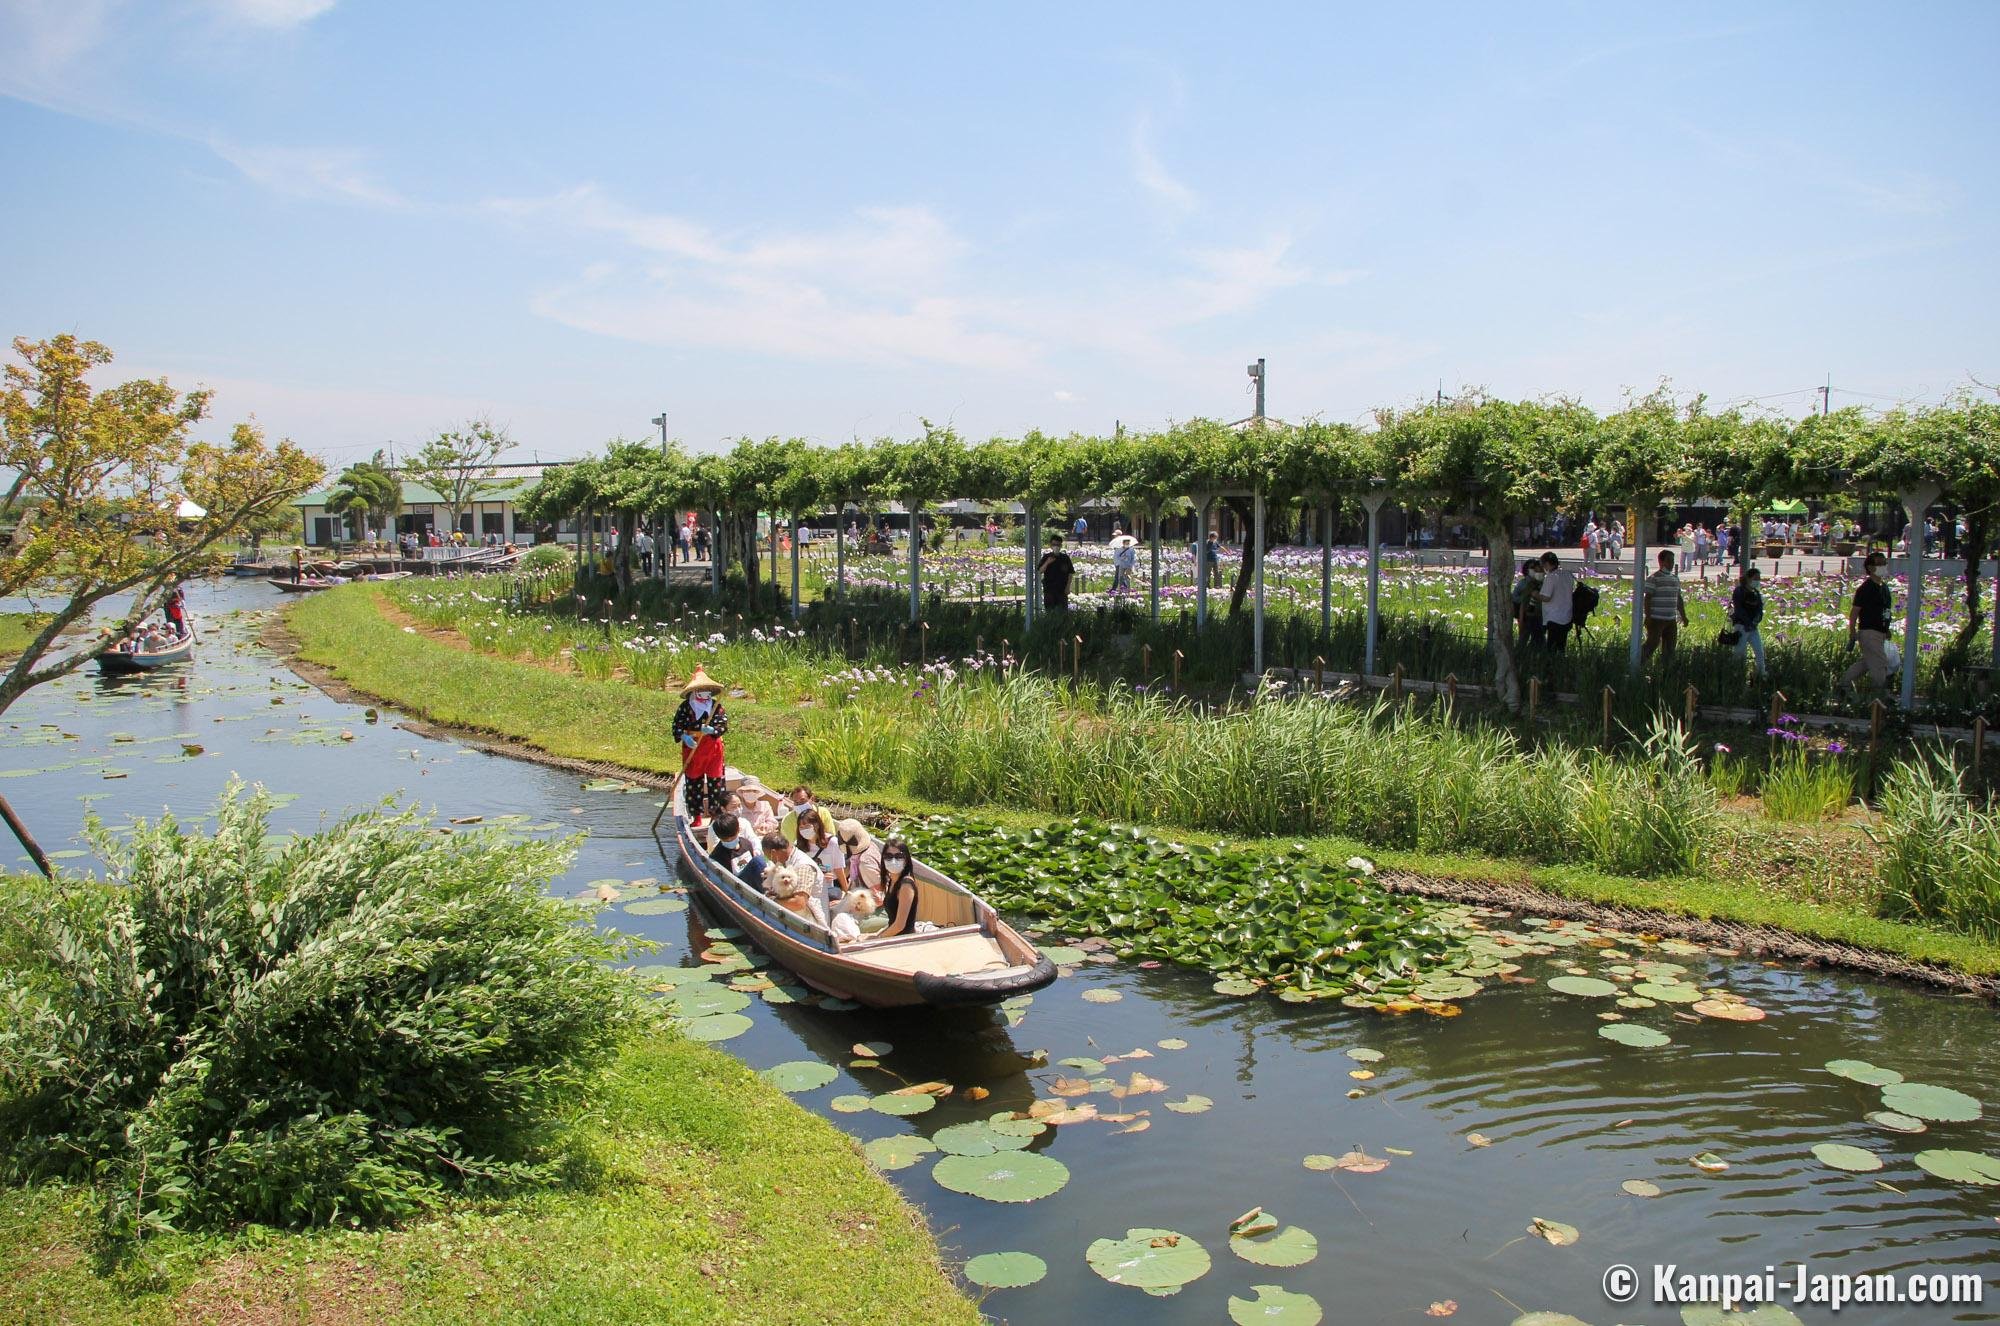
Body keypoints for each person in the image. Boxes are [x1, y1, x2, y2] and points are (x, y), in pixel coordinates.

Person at [672, 666, 729, 823]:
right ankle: (696, 816)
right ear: (695, 691)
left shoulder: (716, 706)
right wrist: (684, 736)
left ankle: (716, 816)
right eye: (701, 690)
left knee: (716, 781)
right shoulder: (685, 707)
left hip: (713, 748)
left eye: (707, 690)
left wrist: (712, 730)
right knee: (693, 781)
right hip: (693, 748)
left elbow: (723, 725)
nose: (705, 693)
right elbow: (677, 726)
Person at [1843, 552, 1895, 695]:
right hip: (1869, 631)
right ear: (1870, 567)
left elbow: (1885, 610)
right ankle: (1879, 693)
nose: (1884, 566)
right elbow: (1855, 611)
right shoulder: (1866, 588)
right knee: (1880, 663)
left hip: (1880, 632)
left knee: (1867, 662)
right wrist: (1852, 631)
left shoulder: (1884, 587)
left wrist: (1887, 629)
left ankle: (1844, 684)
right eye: (1880, 563)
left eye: (1884, 563)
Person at [1640, 549, 1687, 664]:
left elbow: (1678, 599)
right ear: (1661, 562)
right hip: (1656, 618)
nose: (1671, 564)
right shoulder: (1654, 578)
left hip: (1671, 619)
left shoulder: (1675, 578)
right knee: (1652, 643)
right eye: (1668, 561)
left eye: (1672, 561)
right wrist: (1648, 616)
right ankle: (1639, 663)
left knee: (1670, 647)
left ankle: (1666, 669)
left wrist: (1683, 616)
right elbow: (1648, 598)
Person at [875, 837, 921, 938]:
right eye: (888, 856)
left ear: (906, 860)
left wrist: (877, 939)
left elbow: (899, 926)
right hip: (892, 936)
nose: (893, 860)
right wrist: (873, 936)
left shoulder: (906, 885)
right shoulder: (891, 881)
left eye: (899, 856)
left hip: (903, 940)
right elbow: (892, 922)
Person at [708, 814, 765, 889]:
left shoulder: (746, 844)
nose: (729, 840)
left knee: (759, 860)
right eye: (725, 839)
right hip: (736, 886)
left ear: (738, 830)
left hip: (752, 880)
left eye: (732, 837)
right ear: (719, 837)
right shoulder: (716, 856)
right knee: (758, 861)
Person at [1730, 566, 1768, 679]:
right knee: (1739, 653)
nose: (1757, 581)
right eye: (1755, 578)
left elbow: (1760, 610)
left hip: (1753, 628)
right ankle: (1736, 674)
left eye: (1759, 579)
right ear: (1748, 578)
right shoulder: (1739, 591)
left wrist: (1756, 621)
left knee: (1759, 652)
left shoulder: (1756, 593)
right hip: (1741, 627)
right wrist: (1747, 623)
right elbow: (1739, 609)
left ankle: (1761, 673)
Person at [1537, 552, 1576, 651]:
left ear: (1546, 564)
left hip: (1554, 617)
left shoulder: (1551, 577)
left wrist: (1535, 594)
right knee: (1561, 646)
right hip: (1567, 615)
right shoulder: (1567, 574)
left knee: (1552, 647)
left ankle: (1552, 661)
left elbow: (1546, 597)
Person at [1511, 559, 1544, 649]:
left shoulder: (1543, 582)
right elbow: (1515, 597)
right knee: (1523, 637)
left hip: (1539, 614)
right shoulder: (1523, 583)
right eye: (1532, 568)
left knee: (1538, 638)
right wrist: (1525, 598)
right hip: (1526, 614)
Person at [1039, 534, 1075, 610]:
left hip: (1062, 590)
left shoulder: (1065, 558)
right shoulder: (1046, 557)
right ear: (1050, 545)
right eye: (1054, 544)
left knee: (1062, 612)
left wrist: (1068, 587)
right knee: (1050, 611)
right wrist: (1047, 562)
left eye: (1058, 545)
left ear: (1061, 545)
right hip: (1049, 589)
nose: (1056, 546)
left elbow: (1070, 573)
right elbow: (1040, 571)